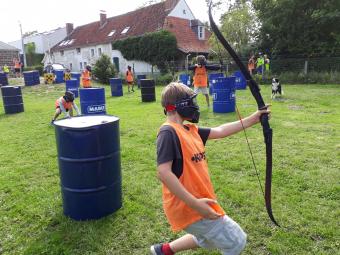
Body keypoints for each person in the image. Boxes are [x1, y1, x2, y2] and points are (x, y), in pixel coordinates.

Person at [150, 82, 271, 255]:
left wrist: (254, 118)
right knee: (236, 241)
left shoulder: (190, 129)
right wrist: (196, 204)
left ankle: (164, 250)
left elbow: (220, 130)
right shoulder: (168, 132)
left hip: (199, 202)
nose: (195, 106)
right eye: (191, 101)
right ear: (179, 106)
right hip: (189, 207)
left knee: (206, 237)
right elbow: (163, 172)